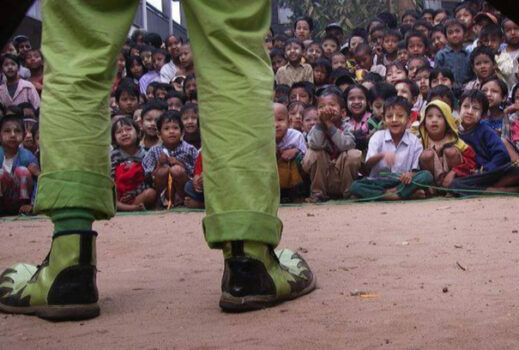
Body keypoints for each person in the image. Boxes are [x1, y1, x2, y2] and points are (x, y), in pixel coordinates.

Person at [350, 96, 433, 200]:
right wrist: (382, 155)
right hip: (378, 182)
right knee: (355, 186)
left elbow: (416, 169)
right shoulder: (377, 137)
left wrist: (409, 174)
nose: (394, 120)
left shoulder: (414, 141)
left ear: (409, 119)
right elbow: (368, 164)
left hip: (402, 182)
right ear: (384, 119)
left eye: (400, 116)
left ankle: (388, 195)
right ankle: (400, 194)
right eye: (389, 116)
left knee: (426, 176)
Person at [450, 89, 519, 193]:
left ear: (483, 115)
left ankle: (494, 189)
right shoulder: (454, 132)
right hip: (472, 175)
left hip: (492, 171)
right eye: (466, 106)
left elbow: (501, 154)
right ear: (459, 109)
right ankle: (498, 189)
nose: (469, 111)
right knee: (455, 184)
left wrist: (486, 169)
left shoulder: (485, 129)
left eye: (475, 108)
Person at [302, 87, 361, 202]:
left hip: (341, 174)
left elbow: (346, 145)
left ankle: (349, 192)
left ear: (343, 113)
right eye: (322, 107)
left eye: (332, 105)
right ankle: (317, 193)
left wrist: (329, 125)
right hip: (324, 174)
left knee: (353, 154)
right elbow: (316, 144)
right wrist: (321, 124)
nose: (327, 110)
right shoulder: (316, 128)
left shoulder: (347, 127)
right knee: (313, 153)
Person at [418, 100, 477, 188]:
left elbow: (472, 160)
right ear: (424, 122)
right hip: (431, 180)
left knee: (451, 152)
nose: (434, 120)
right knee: (426, 155)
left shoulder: (455, 140)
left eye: (440, 116)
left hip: (453, 177)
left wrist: (455, 171)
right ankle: (431, 187)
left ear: (447, 121)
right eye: (430, 116)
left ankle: (453, 186)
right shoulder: (420, 142)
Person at [111, 117, 156, 212]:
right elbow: (111, 179)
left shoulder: (145, 155)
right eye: (119, 132)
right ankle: (132, 208)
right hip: (117, 195)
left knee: (151, 193)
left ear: (138, 133)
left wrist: (133, 193)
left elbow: (147, 180)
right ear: (114, 139)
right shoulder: (113, 155)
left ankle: (127, 207)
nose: (124, 134)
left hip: (136, 194)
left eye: (128, 129)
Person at [0, 114, 39, 215]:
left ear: (24, 134)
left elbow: (36, 183)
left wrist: (32, 204)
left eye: (17, 131)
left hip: (21, 204)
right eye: (7, 131)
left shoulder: (28, 157)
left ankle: (24, 207)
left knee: (22, 171)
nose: (12, 135)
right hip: (3, 203)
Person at [274, 103, 307, 200]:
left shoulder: (296, 136)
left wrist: (296, 150)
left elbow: (306, 157)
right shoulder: (263, 138)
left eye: (280, 120)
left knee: (299, 158)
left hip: (295, 176)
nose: (276, 125)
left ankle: (298, 193)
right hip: (273, 177)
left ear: (289, 122)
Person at [434, 19, 473, 86]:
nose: (454, 35)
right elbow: (437, 75)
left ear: (465, 33)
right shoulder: (441, 55)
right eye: (450, 33)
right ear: (446, 36)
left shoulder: (469, 54)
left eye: (457, 31)